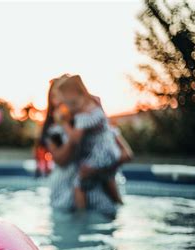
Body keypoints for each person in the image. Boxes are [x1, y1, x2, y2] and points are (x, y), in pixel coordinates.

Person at [40, 75, 133, 212]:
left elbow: (127, 154)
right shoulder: (54, 131)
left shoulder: (90, 120)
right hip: (64, 198)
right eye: (56, 96)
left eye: (63, 96)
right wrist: (65, 123)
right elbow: (61, 160)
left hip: (98, 196)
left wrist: (97, 169)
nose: (60, 101)